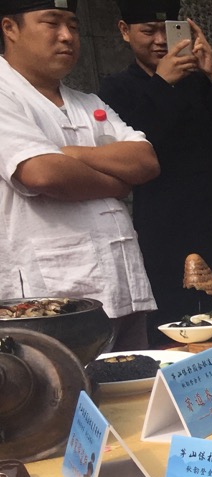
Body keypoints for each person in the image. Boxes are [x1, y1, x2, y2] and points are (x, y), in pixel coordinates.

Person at [100, 3, 212, 345]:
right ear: (125, 31)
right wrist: (162, 83)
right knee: (174, 338)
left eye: (168, 30)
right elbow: (138, 149)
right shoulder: (116, 89)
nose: (161, 40)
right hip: (165, 237)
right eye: (148, 31)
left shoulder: (203, 80)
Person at [0, 0, 157, 348]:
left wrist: (70, 154)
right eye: (52, 23)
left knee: (133, 376)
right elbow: (42, 173)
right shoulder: (5, 93)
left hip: (122, 283)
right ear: (10, 28)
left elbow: (145, 161)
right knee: (64, 380)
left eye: (73, 25)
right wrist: (116, 184)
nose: (67, 36)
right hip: (49, 299)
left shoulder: (88, 102)